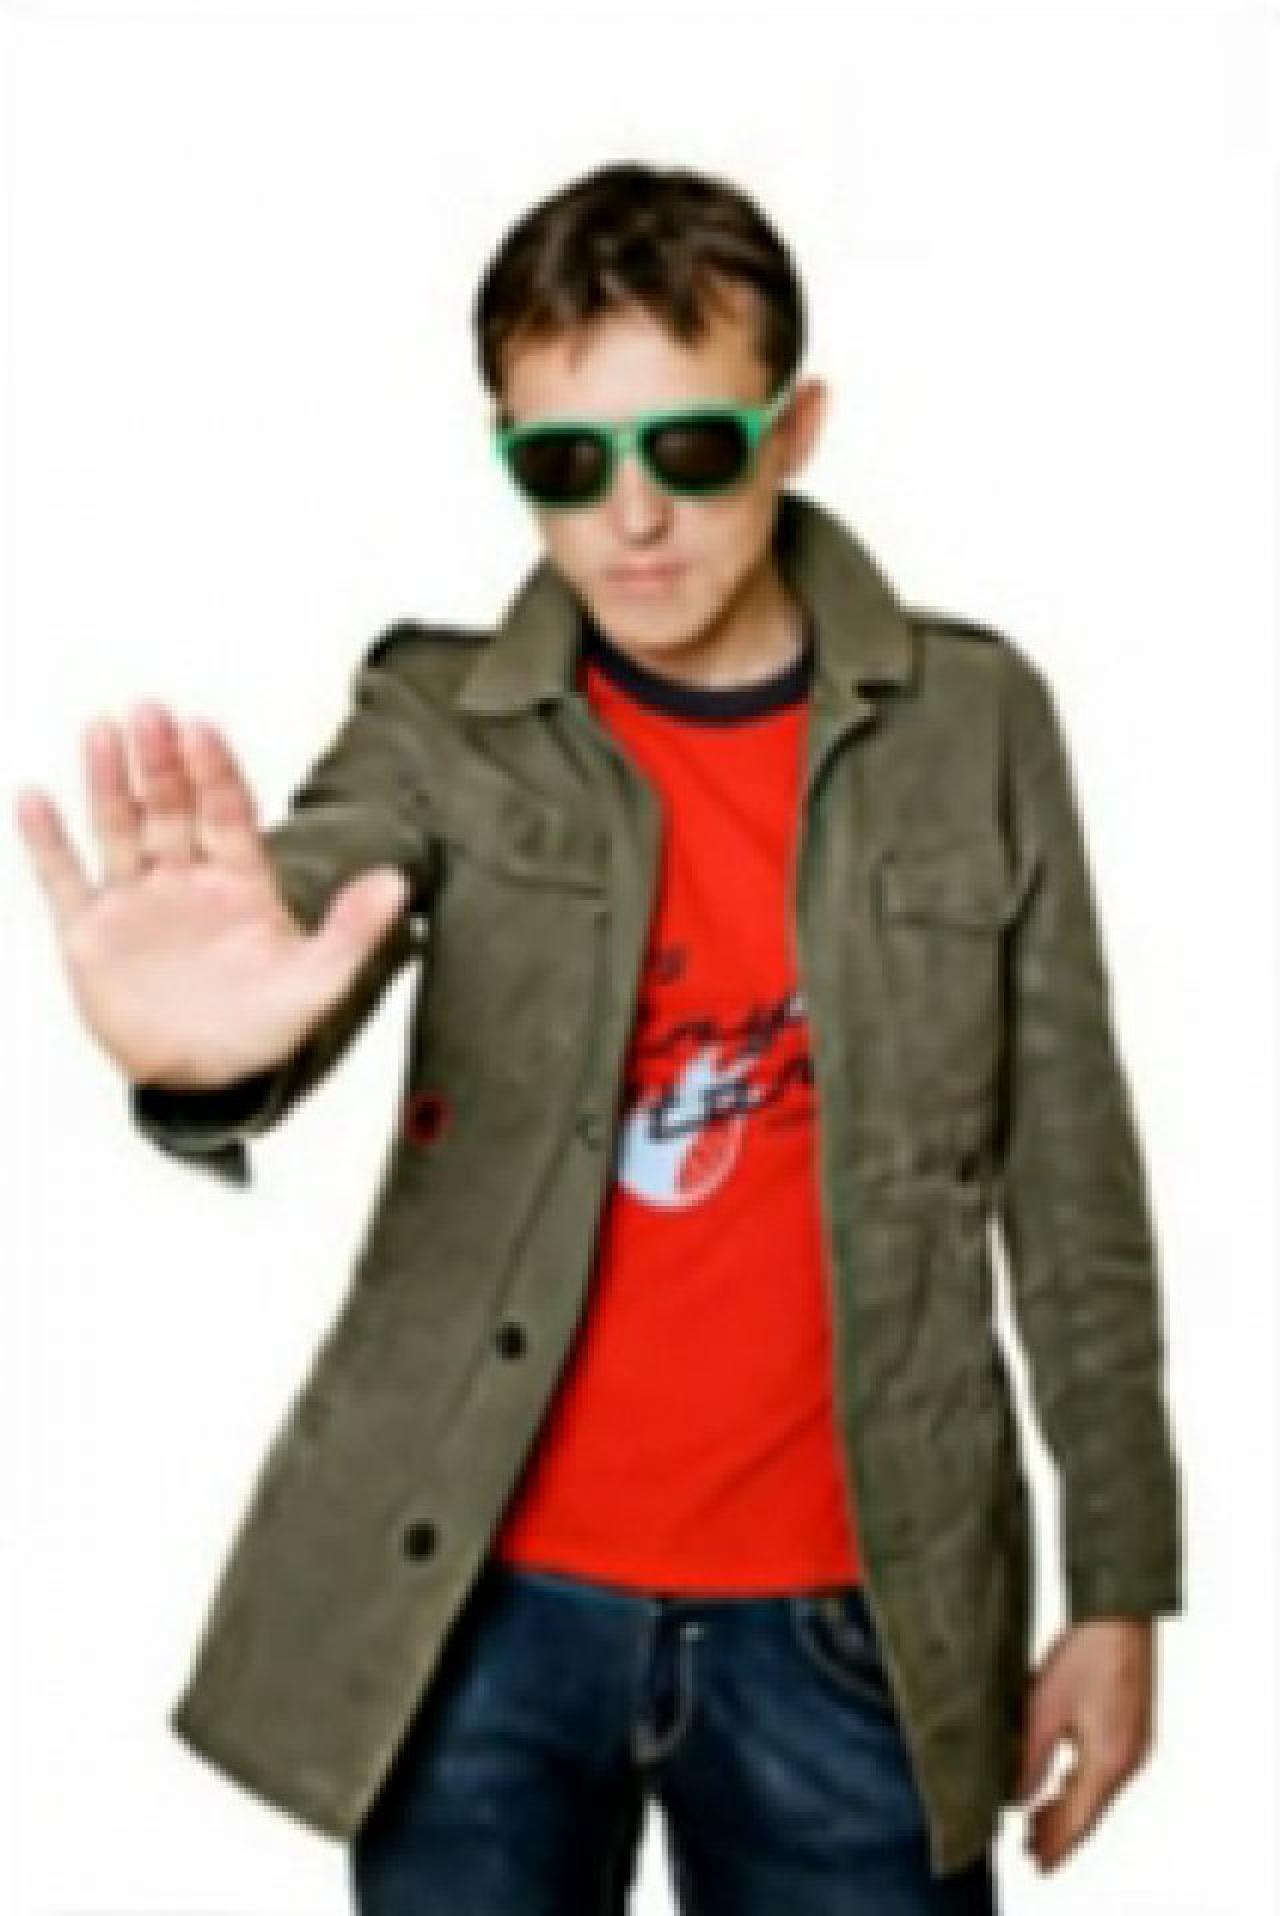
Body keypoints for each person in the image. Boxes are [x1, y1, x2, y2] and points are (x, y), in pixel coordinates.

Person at [13, 162, 1182, 1914]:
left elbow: (1074, 1180)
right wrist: (209, 1051)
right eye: (565, 464)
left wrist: (1120, 1583)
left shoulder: (976, 722)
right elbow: (315, 900)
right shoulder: (438, 719)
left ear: (793, 434)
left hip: (859, 1625)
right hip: (476, 1620)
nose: (633, 519)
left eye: (688, 449)